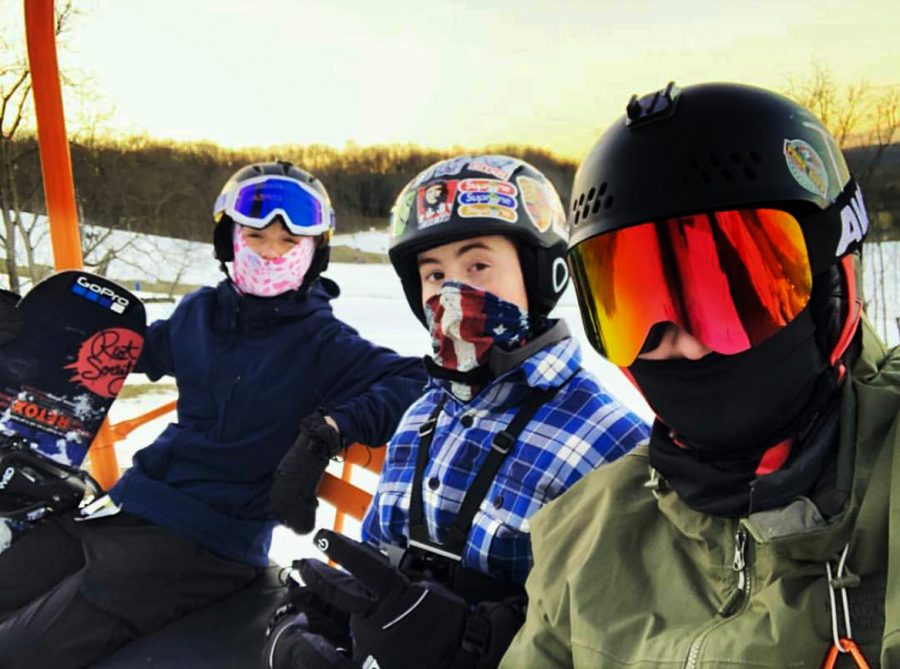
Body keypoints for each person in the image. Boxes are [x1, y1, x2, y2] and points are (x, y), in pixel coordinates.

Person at [501, 82, 900, 668]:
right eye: (636, 308)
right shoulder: (591, 531)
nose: (683, 345)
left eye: (732, 296)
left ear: (833, 284)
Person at [0, 160, 426, 668]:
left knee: (20, 650)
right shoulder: (200, 313)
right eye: (255, 235)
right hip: (127, 507)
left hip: (203, 545)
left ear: (315, 256)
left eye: (289, 243)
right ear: (228, 242)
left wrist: (328, 433)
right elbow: (129, 349)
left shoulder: (325, 346)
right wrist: (32, 331)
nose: (270, 253)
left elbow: (417, 382)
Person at [263, 155, 650, 669]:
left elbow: (625, 634)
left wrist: (483, 640)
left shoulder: (613, 441)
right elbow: (377, 559)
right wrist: (319, 618)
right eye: (433, 274)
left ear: (540, 274)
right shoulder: (420, 418)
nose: (451, 292)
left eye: (477, 266)